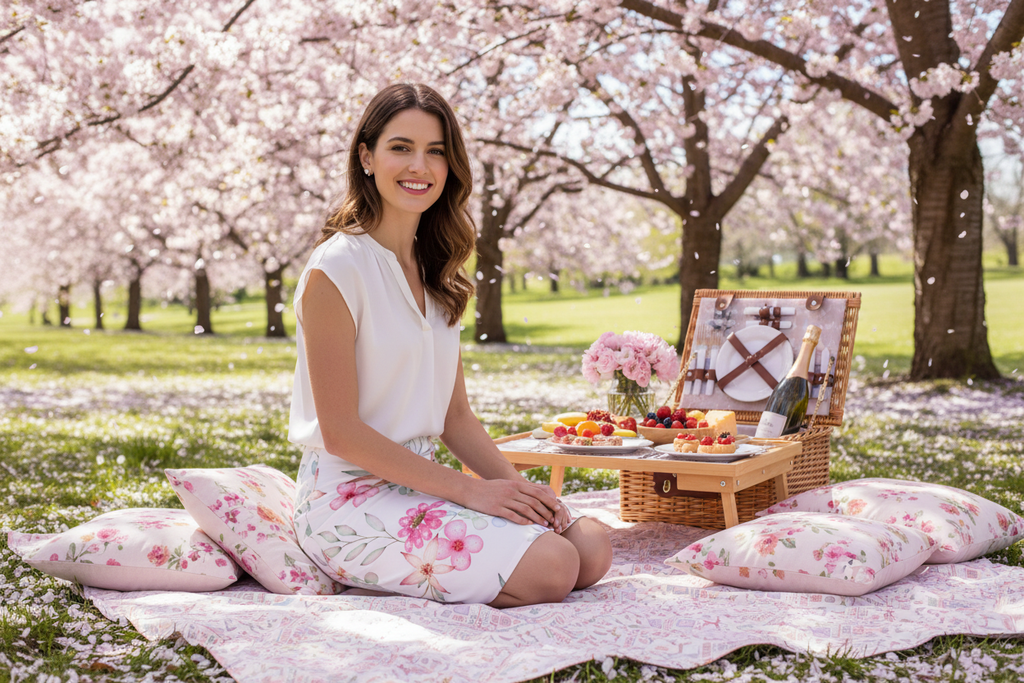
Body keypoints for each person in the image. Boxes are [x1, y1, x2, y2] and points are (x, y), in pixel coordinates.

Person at [288, 83, 612, 607]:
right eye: (401, 147)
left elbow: (454, 417)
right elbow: (341, 433)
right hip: (348, 500)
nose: (420, 165)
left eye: (436, 151)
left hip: (421, 486)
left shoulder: (439, 271)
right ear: (366, 157)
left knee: (590, 545)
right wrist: (469, 491)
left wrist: (527, 495)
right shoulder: (336, 268)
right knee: (554, 567)